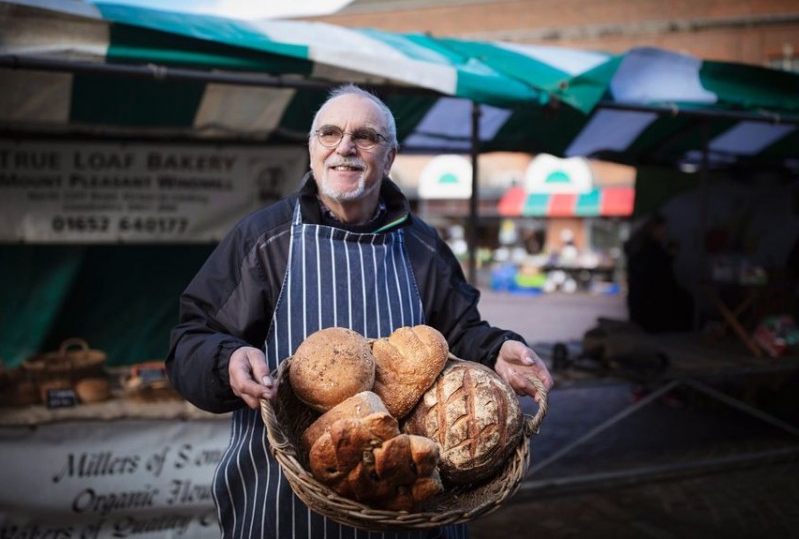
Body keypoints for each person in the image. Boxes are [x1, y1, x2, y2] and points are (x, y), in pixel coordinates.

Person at [166, 84, 553, 539]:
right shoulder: (264, 239)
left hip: (412, 512)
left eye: (364, 137)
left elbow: (462, 334)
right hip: (286, 511)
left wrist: (497, 351)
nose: (344, 147)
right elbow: (191, 338)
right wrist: (225, 360)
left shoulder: (422, 245)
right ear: (311, 149)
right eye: (329, 133)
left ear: (389, 158)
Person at [624, 213, 694, 333]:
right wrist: (670, 255)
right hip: (652, 301)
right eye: (662, 229)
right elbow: (659, 272)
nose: (664, 232)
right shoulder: (651, 248)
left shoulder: (640, 246)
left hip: (641, 301)